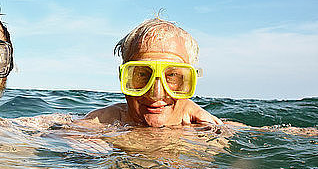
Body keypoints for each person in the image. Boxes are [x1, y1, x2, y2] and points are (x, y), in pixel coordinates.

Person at [85, 18, 222, 128]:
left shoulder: (212, 128)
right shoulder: (98, 125)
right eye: (142, 74)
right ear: (124, 77)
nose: (156, 94)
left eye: (172, 75)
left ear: (188, 80)